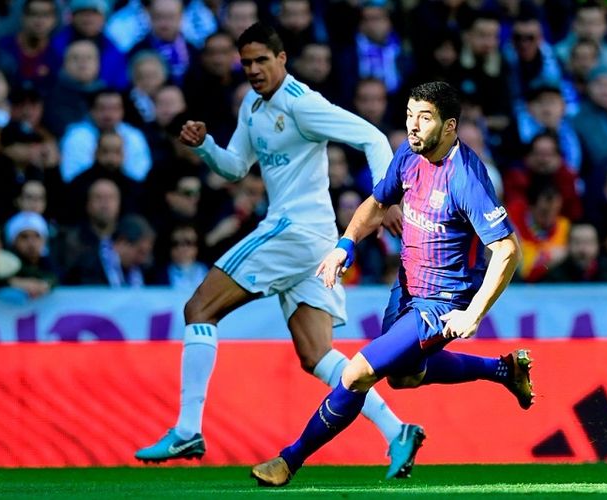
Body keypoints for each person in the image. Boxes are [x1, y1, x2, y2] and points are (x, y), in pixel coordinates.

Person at [135, 23, 423, 480]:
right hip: (313, 242)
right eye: (245, 62)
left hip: (294, 231)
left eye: (261, 61)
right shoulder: (252, 105)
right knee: (317, 356)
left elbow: (370, 136)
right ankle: (397, 431)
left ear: (282, 59)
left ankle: (188, 428)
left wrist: (385, 199)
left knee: (199, 307)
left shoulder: (302, 103)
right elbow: (235, 168)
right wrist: (206, 146)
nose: (252, 70)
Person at [250, 81, 534, 487]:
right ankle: (502, 371)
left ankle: (288, 461)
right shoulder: (409, 153)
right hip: (406, 287)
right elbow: (378, 203)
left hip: (441, 303)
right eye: (409, 115)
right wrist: (344, 245)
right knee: (405, 377)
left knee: (357, 374)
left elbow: (507, 249)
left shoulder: (467, 178)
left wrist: (473, 313)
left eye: (424, 118)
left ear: (450, 126)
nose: (413, 126)